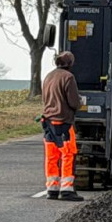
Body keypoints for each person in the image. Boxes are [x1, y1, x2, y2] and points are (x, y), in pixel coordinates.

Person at [41, 51, 83, 201]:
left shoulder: (48, 77)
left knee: (52, 156)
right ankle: (67, 189)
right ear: (70, 64)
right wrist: (80, 103)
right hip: (63, 122)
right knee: (68, 155)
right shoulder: (68, 78)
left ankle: (52, 189)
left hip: (48, 122)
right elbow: (73, 102)